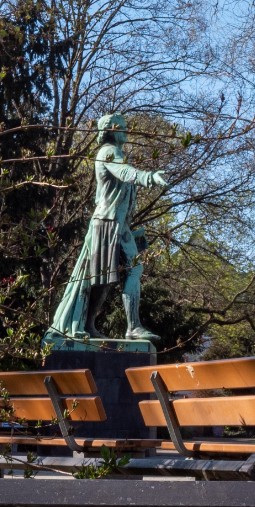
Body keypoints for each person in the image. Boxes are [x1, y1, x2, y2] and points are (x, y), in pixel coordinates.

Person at [47, 114, 167, 343]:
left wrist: (130, 231)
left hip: (116, 225)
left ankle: (108, 325)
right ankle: (128, 327)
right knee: (105, 277)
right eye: (121, 127)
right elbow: (126, 173)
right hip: (106, 223)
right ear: (111, 131)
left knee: (112, 276)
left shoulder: (114, 153)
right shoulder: (108, 152)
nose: (126, 131)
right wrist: (149, 177)